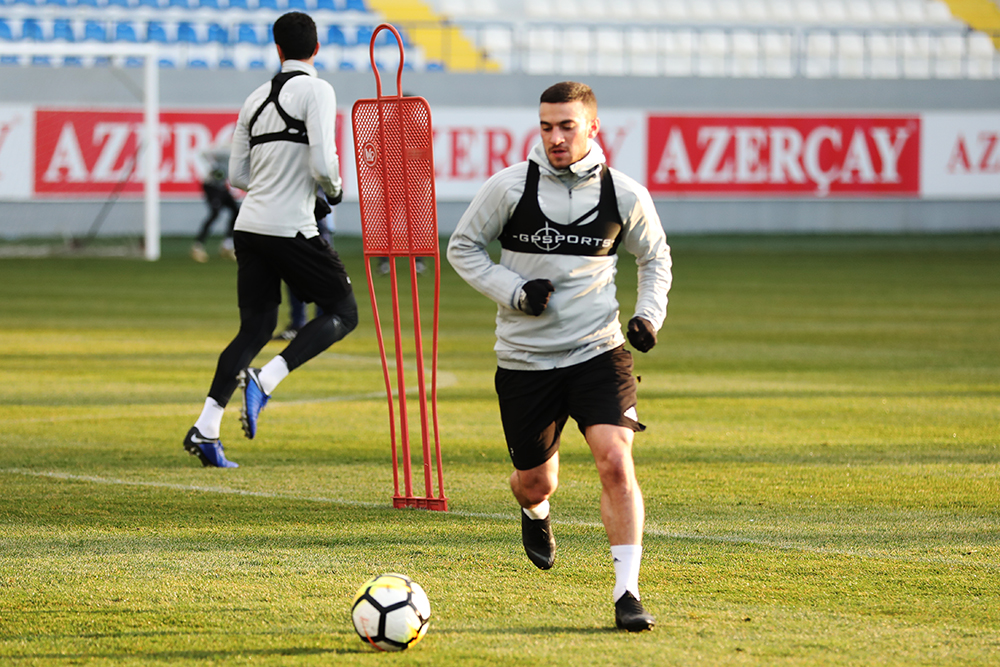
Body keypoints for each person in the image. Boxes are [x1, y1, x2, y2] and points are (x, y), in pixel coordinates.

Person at [446, 81, 672, 632]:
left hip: (598, 350)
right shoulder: (508, 187)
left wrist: (648, 316)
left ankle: (627, 593)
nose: (555, 138)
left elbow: (655, 258)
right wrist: (515, 292)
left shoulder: (624, 194)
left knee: (615, 459)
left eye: (567, 126)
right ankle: (534, 509)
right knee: (535, 481)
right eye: (546, 126)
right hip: (525, 360)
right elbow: (462, 247)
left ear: (592, 127)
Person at [183, 12, 356, 468]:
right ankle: (267, 379)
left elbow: (238, 175)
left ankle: (206, 429)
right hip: (290, 226)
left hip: (249, 227)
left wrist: (277, 177)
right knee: (343, 311)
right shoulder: (318, 90)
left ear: (277, 49)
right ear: (317, 49)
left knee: (256, 327)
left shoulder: (254, 98)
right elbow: (324, 163)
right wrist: (334, 190)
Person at [191, 142, 240, 263]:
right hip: (212, 186)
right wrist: (213, 168)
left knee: (236, 211)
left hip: (221, 186)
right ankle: (197, 247)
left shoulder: (238, 153)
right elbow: (204, 153)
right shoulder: (228, 151)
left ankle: (227, 245)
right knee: (215, 214)